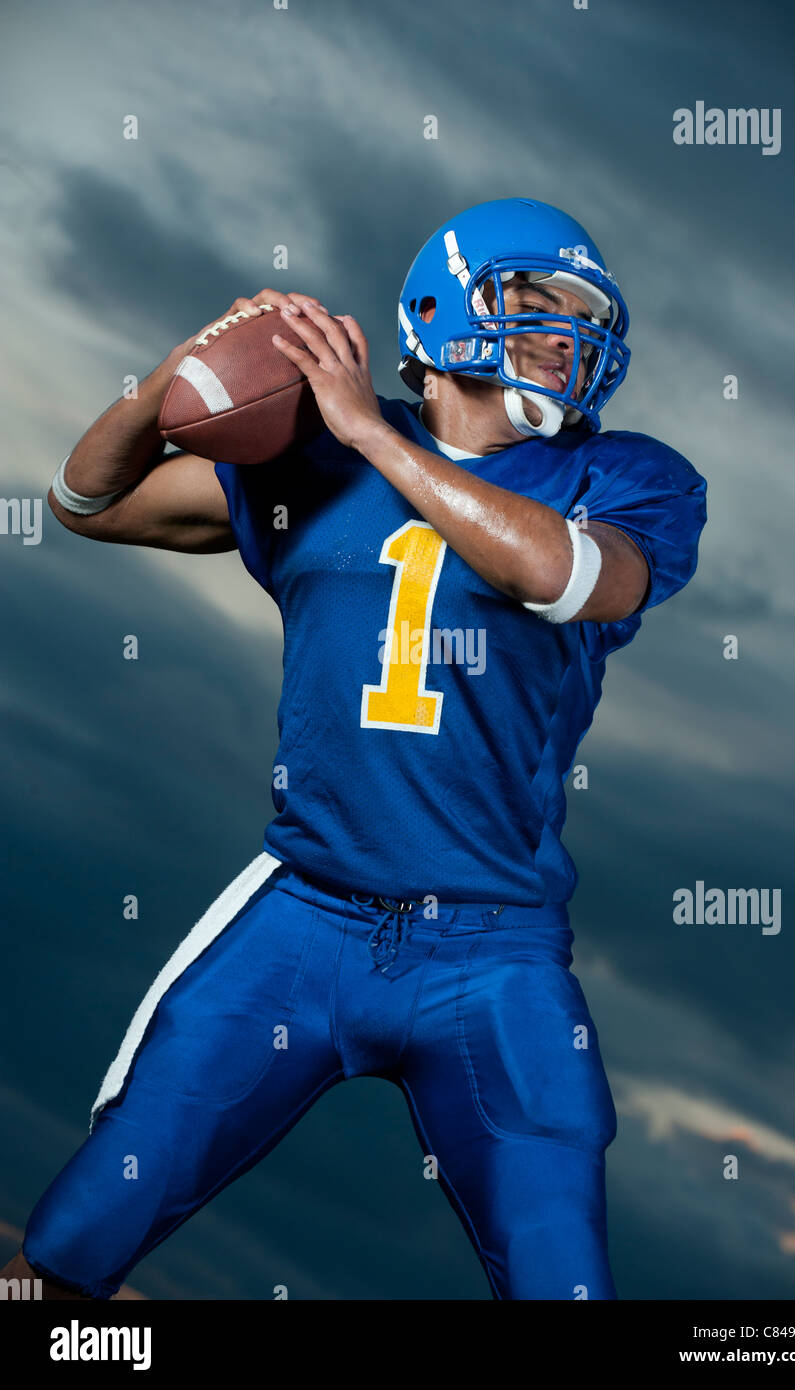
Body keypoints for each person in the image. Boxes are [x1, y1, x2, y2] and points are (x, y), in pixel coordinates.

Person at [3, 198, 706, 1301]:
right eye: (537, 303)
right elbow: (88, 500)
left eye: (582, 314)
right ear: (439, 308)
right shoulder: (306, 456)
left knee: (565, 1281)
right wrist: (174, 375)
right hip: (309, 911)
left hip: (495, 947)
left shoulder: (625, 476)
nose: (568, 332)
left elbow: (570, 577)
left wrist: (375, 434)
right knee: (70, 1248)